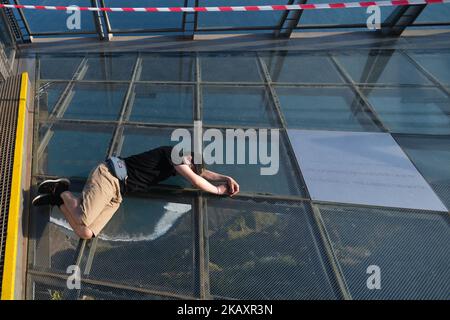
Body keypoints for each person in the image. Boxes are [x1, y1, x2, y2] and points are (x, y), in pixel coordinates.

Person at [32, 146, 239, 240]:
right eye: (192, 159)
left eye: (193, 165)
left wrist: (224, 178)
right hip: (109, 176)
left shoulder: (182, 165)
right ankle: (62, 189)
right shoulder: (174, 153)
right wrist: (219, 190)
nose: (190, 163)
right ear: (188, 154)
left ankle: (56, 199)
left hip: (118, 193)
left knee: (86, 233)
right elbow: (196, 179)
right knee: (83, 217)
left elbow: (202, 175)